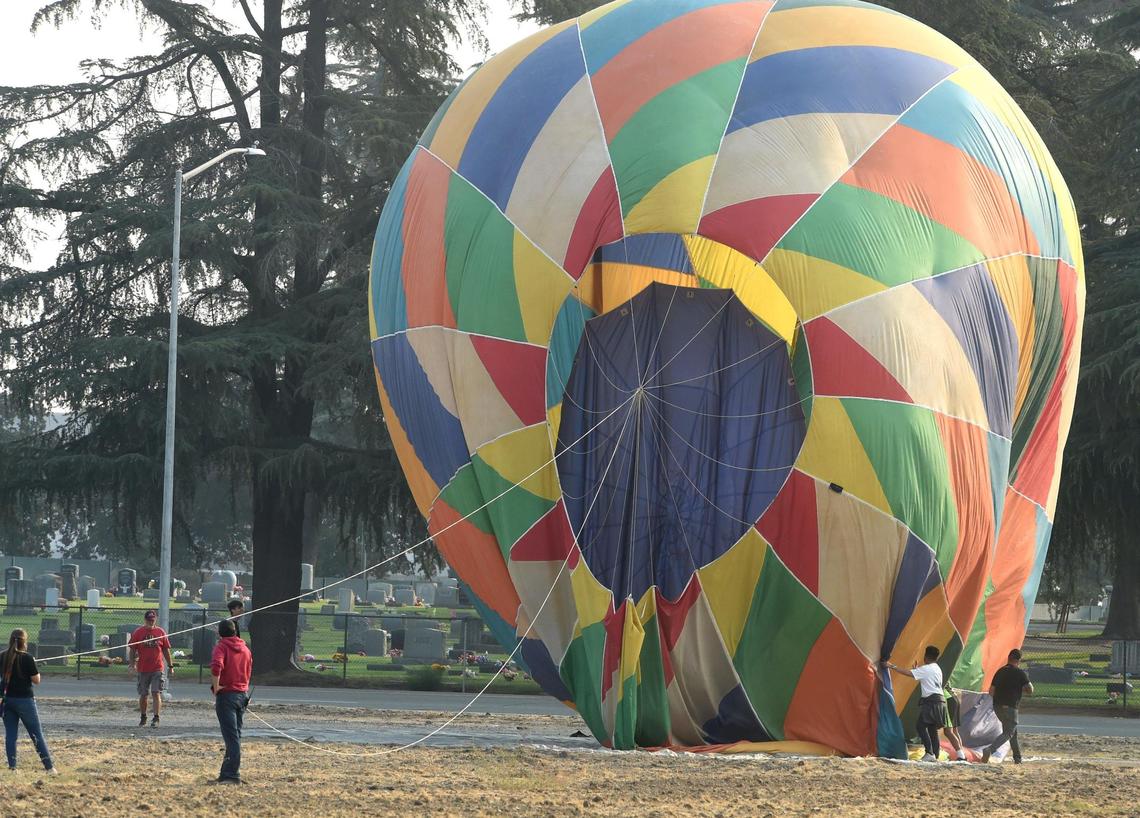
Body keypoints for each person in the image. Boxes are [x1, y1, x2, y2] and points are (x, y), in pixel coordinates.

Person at [1, 629, 57, 774]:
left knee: (11, 735)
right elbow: (36, 680)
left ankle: (12, 767)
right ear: (24, 641)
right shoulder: (27, 658)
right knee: (36, 734)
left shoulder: (2, 656)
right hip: (25, 701)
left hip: (7, 701)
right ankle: (49, 767)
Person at [883, 645, 946, 762]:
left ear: (926, 657)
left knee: (920, 726)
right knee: (932, 728)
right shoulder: (937, 668)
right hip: (940, 701)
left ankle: (929, 752)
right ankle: (935, 755)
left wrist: (891, 666)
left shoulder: (926, 669)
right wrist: (918, 670)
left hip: (931, 701)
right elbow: (924, 676)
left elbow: (908, 673)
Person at [211, 618, 252, 784]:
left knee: (231, 737)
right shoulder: (245, 649)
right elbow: (249, 668)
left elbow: (216, 666)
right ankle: (226, 772)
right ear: (235, 631)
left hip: (227, 695)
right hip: (242, 694)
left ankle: (231, 775)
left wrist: (216, 686)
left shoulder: (221, 646)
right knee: (235, 735)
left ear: (220, 633)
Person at [981, 648, 1033, 764]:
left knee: (1012, 731)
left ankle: (1017, 758)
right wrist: (1019, 690)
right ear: (1019, 660)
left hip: (997, 706)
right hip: (1011, 706)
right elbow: (1030, 689)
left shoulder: (1000, 671)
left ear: (1008, 658)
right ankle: (990, 749)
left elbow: (991, 691)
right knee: (1008, 732)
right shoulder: (1020, 672)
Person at [129, 609, 174, 728]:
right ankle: (143, 716)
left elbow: (166, 650)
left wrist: (170, 666)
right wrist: (132, 663)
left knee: (156, 692)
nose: (151, 623)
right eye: (149, 620)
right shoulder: (138, 632)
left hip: (157, 668)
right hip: (143, 668)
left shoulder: (160, 632)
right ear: (145, 620)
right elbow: (132, 649)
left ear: (155, 620)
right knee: (144, 694)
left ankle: (156, 717)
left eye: (153, 620)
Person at [942, 680, 966, 761]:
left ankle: (961, 755)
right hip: (954, 698)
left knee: (948, 731)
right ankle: (962, 754)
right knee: (954, 730)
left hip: (948, 699)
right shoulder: (943, 670)